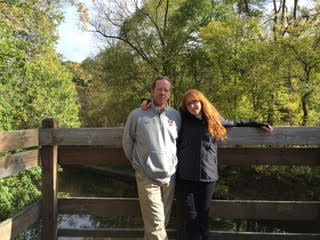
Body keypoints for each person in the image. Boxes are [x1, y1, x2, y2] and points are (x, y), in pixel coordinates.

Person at [141, 89, 273, 240]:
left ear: (201, 102)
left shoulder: (214, 119)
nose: (192, 106)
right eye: (189, 103)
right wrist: (148, 102)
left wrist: (258, 124)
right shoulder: (181, 118)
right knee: (191, 217)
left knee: (203, 216)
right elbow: (163, 111)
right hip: (186, 176)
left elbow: (236, 123)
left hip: (208, 176)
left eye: (195, 102)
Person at [122, 76, 181, 240]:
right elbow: (127, 142)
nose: (162, 92)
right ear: (152, 91)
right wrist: (138, 165)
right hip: (147, 176)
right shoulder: (137, 115)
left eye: (166, 90)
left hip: (169, 177)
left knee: (161, 222)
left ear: (169, 94)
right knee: (156, 225)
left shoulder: (175, 116)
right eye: (159, 89)